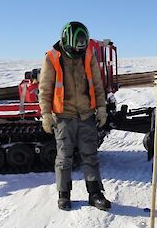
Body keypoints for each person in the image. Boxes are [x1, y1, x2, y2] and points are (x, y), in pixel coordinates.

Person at [38, 21, 111, 211]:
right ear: (66, 41)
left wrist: (101, 108)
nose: (78, 53)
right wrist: (46, 114)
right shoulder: (51, 58)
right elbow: (45, 89)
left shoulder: (88, 55)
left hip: (86, 115)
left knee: (91, 156)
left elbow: (97, 84)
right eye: (75, 49)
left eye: (81, 48)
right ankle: (64, 195)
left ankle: (95, 194)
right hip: (64, 116)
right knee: (64, 158)